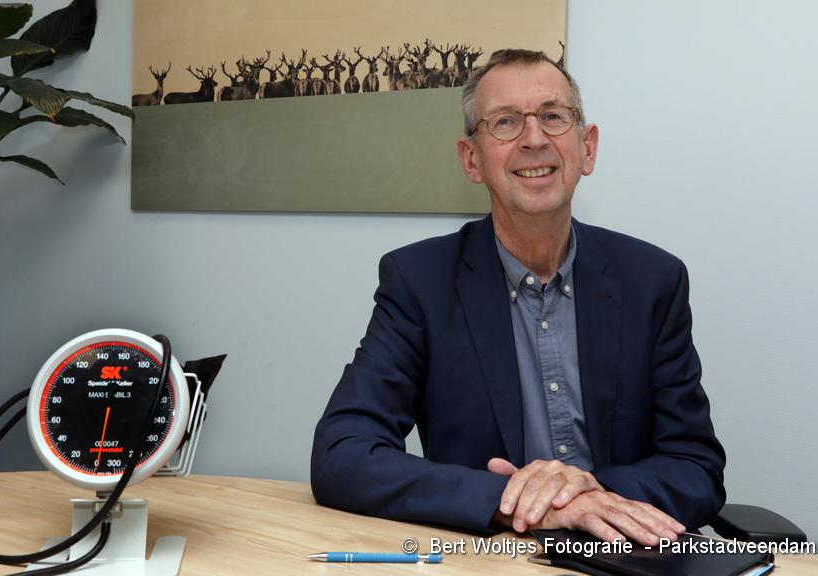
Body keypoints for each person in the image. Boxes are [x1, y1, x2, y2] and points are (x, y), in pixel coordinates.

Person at [310, 49, 725, 545]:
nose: (534, 139)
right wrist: (512, 503)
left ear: (587, 147)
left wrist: (587, 495)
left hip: (624, 554)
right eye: (505, 122)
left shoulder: (653, 280)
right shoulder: (420, 281)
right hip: (489, 554)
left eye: (553, 116)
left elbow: (696, 466)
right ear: (472, 159)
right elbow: (342, 454)